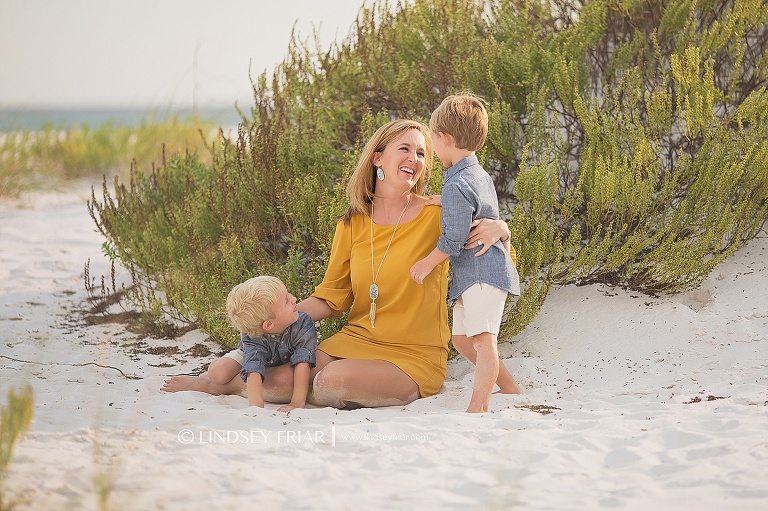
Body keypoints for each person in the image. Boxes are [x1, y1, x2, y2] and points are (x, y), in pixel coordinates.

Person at [162, 119, 512, 409]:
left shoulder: (438, 214)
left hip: (414, 354)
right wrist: (270, 322)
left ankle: (238, 380)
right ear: (377, 159)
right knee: (280, 379)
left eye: (422, 152)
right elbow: (331, 298)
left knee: (331, 382)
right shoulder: (351, 224)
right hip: (355, 339)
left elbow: (494, 258)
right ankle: (218, 383)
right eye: (404, 149)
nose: (415, 159)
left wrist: (502, 229)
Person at [410, 92, 522, 413]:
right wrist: (441, 200)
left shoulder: (456, 185)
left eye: (432, 141)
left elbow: (454, 237)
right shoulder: (476, 174)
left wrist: (427, 263)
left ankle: (479, 405)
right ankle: (510, 387)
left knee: (485, 341)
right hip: (477, 272)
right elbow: (477, 205)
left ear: (445, 138)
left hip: (482, 272)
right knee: (462, 340)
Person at [222, 276, 316, 412]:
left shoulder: (302, 323)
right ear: (269, 324)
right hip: (252, 354)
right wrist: (256, 408)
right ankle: (216, 379)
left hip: (278, 359)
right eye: (286, 301)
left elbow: (303, 361)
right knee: (218, 373)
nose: (294, 299)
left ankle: (230, 383)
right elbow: (253, 369)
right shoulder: (255, 336)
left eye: (288, 294)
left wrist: (296, 403)